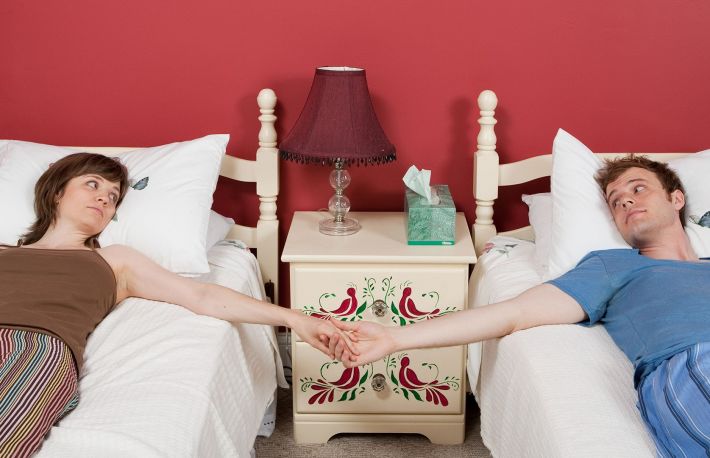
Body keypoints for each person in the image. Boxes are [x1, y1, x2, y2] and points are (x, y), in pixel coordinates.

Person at [329, 155, 710, 457]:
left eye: (639, 188)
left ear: (676, 199)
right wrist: (395, 338)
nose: (625, 200)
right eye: (615, 200)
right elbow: (514, 314)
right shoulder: (614, 266)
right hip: (692, 359)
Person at [0, 153, 351, 457]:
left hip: (37, 346)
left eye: (113, 196)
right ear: (57, 191)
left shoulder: (113, 260)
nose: (105, 198)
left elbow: (202, 296)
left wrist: (297, 319)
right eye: (92, 184)